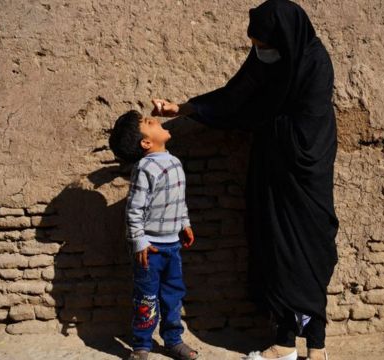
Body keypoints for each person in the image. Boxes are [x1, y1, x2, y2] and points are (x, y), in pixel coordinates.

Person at [152, 1, 338, 359]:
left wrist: (266, 120)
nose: (259, 52)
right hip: (273, 175)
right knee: (278, 254)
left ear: (284, 38)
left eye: (264, 45)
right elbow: (237, 93)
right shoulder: (268, 59)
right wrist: (186, 108)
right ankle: (286, 345)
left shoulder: (314, 62)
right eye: (255, 45)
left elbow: (309, 130)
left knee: (311, 254)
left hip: (306, 176)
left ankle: (315, 347)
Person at [108, 110, 198, 360]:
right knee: (146, 298)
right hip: (150, 249)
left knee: (173, 294)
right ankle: (142, 345)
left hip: (173, 246)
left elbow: (178, 201)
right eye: (149, 123)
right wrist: (139, 242)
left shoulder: (175, 162)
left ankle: (173, 340)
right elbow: (134, 209)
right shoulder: (144, 168)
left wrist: (185, 223)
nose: (156, 121)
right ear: (146, 143)